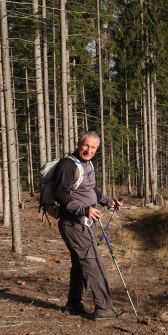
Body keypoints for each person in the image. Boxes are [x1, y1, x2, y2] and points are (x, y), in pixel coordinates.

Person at [52, 131, 123, 320]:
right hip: (73, 223)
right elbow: (59, 193)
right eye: (86, 146)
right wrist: (84, 210)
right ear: (79, 144)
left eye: (93, 148)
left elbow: (90, 190)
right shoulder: (68, 164)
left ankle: (74, 304)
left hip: (85, 223)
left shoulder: (87, 164)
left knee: (81, 264)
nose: (88, 150)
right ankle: (103, 308)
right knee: (94, 262)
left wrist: (109, 201)